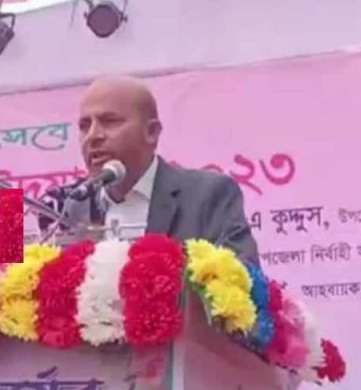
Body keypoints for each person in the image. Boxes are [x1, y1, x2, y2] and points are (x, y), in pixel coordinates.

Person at [65, 76, 259, 263]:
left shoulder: (208, 195)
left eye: (110, 121)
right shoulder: (73, 207)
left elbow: (240, 275)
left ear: (151, 132)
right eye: (84, 126)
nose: (93, 136)